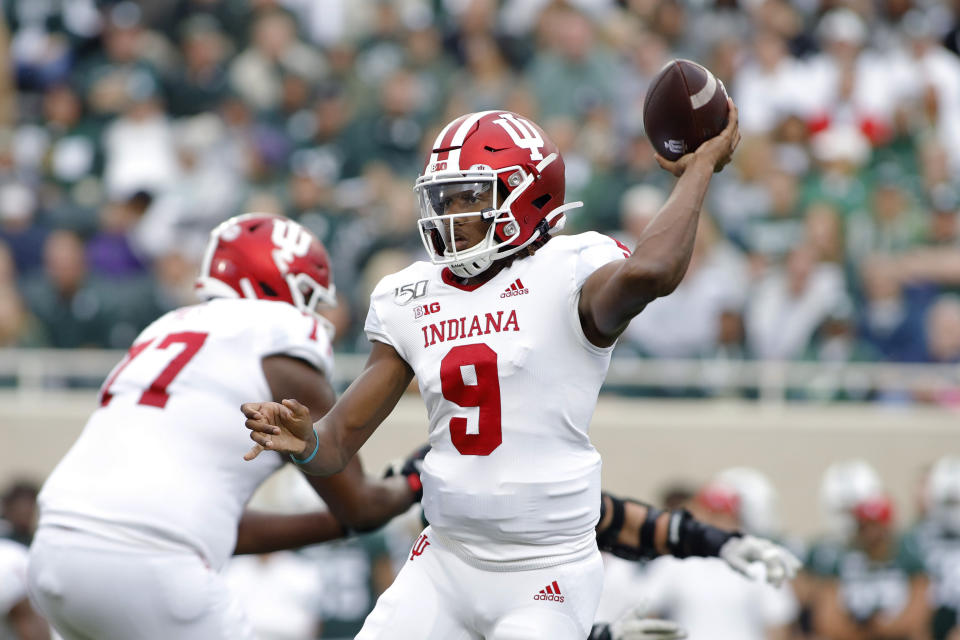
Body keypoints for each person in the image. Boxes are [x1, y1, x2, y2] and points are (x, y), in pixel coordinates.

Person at [243, 103, 800, 639]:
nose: (448, 216)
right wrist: (306, 443)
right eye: (441, 198)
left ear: (525, 197)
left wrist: (699, 167)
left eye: (466, 198)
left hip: (546, 568)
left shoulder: (570, 271)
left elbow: (653, 270)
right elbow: (339, 443)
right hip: (446, 555)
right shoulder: (407, 295)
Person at [27, 214, 416, 640]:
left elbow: (217, 527)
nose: (311, 309)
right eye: (306, 293)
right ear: (278, 282)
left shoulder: (163, 330)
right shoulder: (280, 341)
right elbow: (359, 505)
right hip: (151, 565)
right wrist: (412, 485)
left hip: (54, 553)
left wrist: (341, 522)